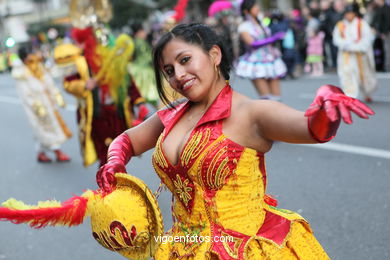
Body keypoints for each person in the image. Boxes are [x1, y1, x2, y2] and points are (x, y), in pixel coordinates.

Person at [96, 23, 374, 259]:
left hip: (244, 248)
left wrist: (327, 100)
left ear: (214, 54)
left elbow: (312, 129)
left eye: (184, 60)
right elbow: (127, 140)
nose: (178, 76)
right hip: (181, 247)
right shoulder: (171, 115)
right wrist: (114, 164)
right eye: (168, 71)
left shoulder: (250, 113)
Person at [54, 28, 148, 167]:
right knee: (107, 154)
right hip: (97, 114)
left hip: (117, 112)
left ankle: (114, 181)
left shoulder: (113, 58)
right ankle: (109, 183)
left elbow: (128, 81)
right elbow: (68, 84)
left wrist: (139, 102)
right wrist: (84, 85)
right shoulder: (81, 62)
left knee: (120, 151)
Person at [12, 45, 71, 163]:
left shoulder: (38, 66)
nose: (32, 56)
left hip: (47, 100)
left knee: (42, 129)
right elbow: (25, 92)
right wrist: (37, 106)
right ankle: (57, 152)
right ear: (24, 58)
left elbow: (48, 81)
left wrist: (57, 96)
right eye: (29, 55)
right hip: (37, 104)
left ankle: (40, 152)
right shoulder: (20, 72)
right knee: (46, 126)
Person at [235, 0, 286, 101]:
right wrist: (272, 39)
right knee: (266, 99)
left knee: (277, 99)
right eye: (254, 6)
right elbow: (252, 43)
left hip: (271, 60)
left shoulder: (262, 22)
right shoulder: (243, 26)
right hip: (256, 62)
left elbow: (270, 26)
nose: (257, 8)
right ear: (246, 11)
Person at [333, 4, 377, 102]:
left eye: (350, 13)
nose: (348, 15)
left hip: (360, 55)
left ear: (355, 14)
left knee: (364, 76)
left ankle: (367, 93)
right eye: (347, 13)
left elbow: (367, 38)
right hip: (346, 55)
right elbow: (336, 39)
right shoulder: (340, 25)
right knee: (347, 74)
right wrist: (345, 45)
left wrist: (357, 47)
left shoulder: (362, 24)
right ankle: (350, 95)